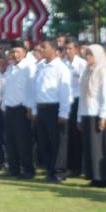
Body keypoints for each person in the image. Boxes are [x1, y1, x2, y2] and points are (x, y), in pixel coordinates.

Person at [31, 38, 72, 183]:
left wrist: (63, 113)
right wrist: (34, 110)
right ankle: (49, 170)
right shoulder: (41, 66)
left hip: (54, 108)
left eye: (44, 47)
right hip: (41, 108)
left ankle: (59, 172)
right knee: (44, 142)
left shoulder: (61, 68)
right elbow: (35, 90)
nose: (41, 49)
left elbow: (65, 93)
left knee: (57, 142)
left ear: (54, 50)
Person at [78, 44, 106, 187]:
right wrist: (79, 116)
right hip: (87, 113)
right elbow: (82, 96)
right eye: (86, 54)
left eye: (91, 54)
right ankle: (94, 176)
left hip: (99, 114)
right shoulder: (86, 71)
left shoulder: (103, 71)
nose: (87, 57)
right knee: (90, 148)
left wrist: (104, 116)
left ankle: (104, 178)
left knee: (100, 148)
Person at [0, 41, 35, 178]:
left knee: (23, 142)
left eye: (18, 51)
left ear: (24, 52)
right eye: (13, 52)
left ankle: (27, 170)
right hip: (9, 109)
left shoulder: (28, 68)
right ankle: (13, 169)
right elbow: (7, 90)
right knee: (10, 141)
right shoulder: (11, 68)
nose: (15, 54)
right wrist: (4, 106)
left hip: (22, 109)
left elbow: (31, 89)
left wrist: (30, 107)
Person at [63, 39, 85, 177]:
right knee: (67, 135)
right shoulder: (62, 63)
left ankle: (78, 167)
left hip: (78, 100)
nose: (67, 51)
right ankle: (69, 166)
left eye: (70, 48)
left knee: (77, 135)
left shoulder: (81, 64)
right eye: (65, 48)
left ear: (76, 49)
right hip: (66, 101)